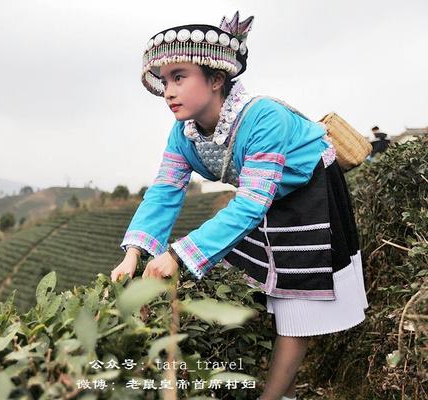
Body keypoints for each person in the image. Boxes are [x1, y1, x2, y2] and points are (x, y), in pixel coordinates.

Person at [109, 11, 369, 400]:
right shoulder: (184, 133)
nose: (169, 91)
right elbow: (165, 189)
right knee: (256, 282)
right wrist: (134, 254)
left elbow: (250, 202)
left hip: (309, 190)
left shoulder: (264, 118)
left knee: (294, 303)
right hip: (262, 193)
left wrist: (178, 256)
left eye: (179, 77)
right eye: (164, 81)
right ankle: (286, 389)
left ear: (216, 80)